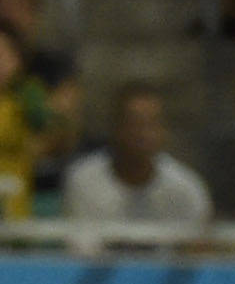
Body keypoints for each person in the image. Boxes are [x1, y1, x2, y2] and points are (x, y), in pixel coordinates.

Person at [60, 81, 214, 242]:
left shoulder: (187, 189)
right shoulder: (83, 182)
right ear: (115, 127)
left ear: (164, 131)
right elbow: (81, 255)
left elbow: (198, 254)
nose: (143, 134)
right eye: (134, 123)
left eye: (152, 124)